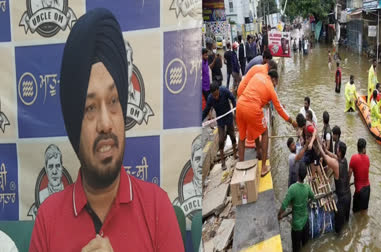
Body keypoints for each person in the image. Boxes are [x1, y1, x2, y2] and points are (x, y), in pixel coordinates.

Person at [29, 9, 184, 251]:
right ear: (73, 123)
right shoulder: (48, 219)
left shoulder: (157, 208)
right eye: (90, 107)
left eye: (113, 101)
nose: (105, 124)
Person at [236, 70, 297, 177]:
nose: (275, 86)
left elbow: (255, 92)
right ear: (274, 79)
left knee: (242, 137)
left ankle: (241, 166)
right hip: (253, 108)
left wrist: (265, 103)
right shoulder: (270, 88)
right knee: (265, 133)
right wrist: (292, 121)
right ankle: (264, 167)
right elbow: (280, 110)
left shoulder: (258, 75)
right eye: (275, 84)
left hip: (240, 105)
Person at [278, 163, 314, 252]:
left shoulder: (292, 188)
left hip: (297, 226)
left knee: (296, 249)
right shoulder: (307, 187)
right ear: (305, 175)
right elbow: (312, 197)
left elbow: (284, 206)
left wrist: (279, 215)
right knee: (305, 245)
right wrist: (307, 202)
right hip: (306, 222)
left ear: (297, 174)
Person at [317, 140, 351, 234]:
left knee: (338, 228)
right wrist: (326, 149)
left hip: (342, 199)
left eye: (337, 148)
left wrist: (319, 144)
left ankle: (340, 242)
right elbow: (331, 155)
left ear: (339, 151)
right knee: (346, 220)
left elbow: (325, 156)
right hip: (348, 195)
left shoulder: (336, 164)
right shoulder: (344, 160)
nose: (336, 149)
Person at [202, 83, 238, 170]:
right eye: (214, 95)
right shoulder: (210, 98)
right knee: (221, 140)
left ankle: (235, 154)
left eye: (217, 95)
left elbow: (233, 98)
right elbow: (206, 109)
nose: (216, 97)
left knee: (232, 136)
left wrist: (235, 111)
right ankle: (223, 162)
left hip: (228, 116)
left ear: (219, 90)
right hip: (220, 120)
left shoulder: (224, 90)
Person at [348, 138, 370, 212]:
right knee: (364, 212)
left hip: (359, 191)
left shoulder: (353, 158)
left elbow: (349, 173)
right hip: (367, 189)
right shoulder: (367, 158)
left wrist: (347, 185)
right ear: (364, 148)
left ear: (357, 147)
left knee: (355, 212)